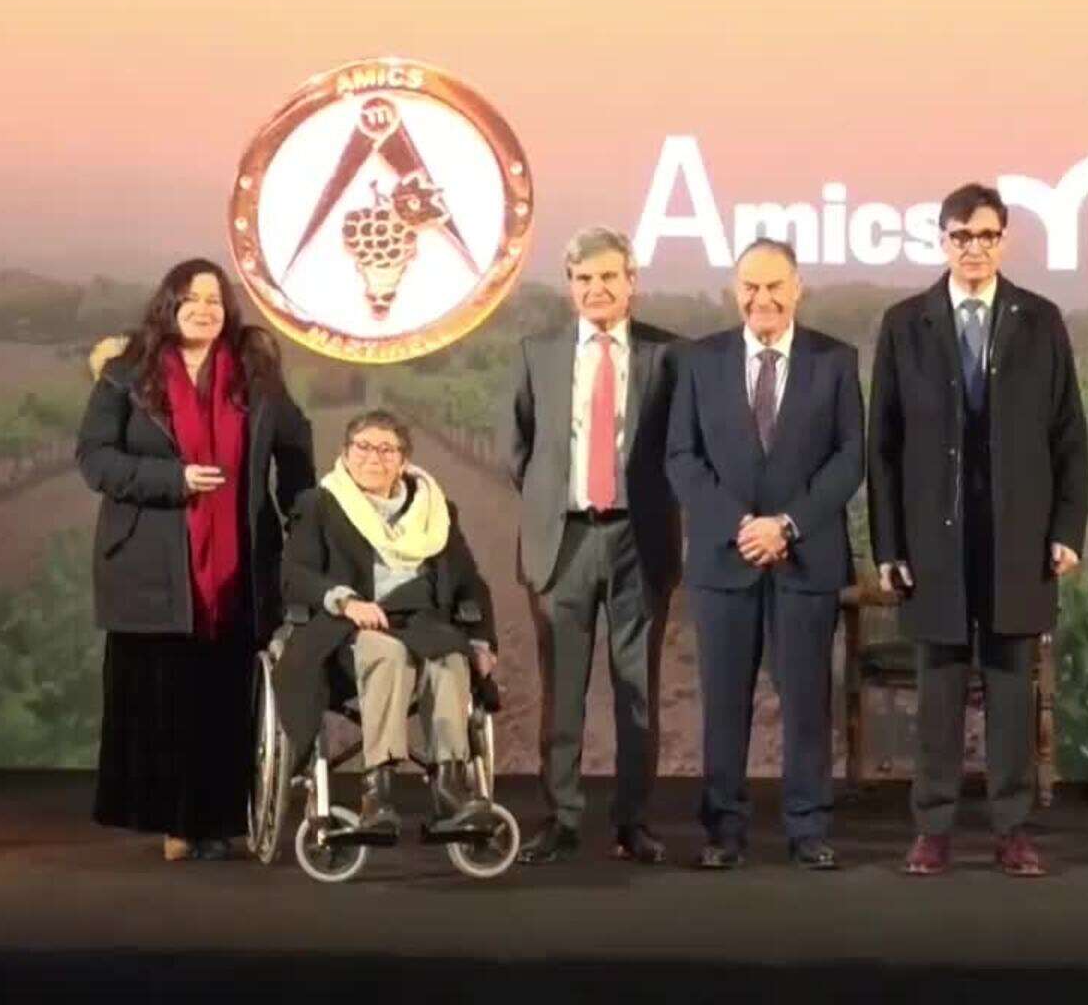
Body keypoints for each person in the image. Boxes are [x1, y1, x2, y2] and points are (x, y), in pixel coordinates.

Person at [867, 182, 1088, 877]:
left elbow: (1069, 436)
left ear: (1005, 239)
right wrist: (889, 545)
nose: (974, 248)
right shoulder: (906, 322)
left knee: (1011, 691)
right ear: (942, 240)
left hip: (1018, 539)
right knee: (938, 690)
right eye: (962, 236)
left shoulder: (1040, 319)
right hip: (934, 542)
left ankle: (1012, 830)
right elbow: (884, 445)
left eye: (987, 236)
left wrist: (1066, 530)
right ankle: (932, 830)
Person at [77, 257, 314, 861]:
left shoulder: (256, 376)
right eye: (191, 298)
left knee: (221, 697)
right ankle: (171, 820)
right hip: (151, 563)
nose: (204, 308)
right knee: (164, 696)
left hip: (239, 565)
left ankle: (214, 822)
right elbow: (96, 460)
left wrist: (303, 526)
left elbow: (295, 450)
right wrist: (174, 478)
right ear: (169, 306)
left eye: (214, 298)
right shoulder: (127, 374)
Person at [666, 238, 864, 870]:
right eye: (750, 286)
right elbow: (681, 458)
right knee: (724, 702)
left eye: (775, 286)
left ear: (798, 288)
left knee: (807, 701)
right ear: (734, 290)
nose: (763, 298)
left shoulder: (835, 360)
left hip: (806, 559)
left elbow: (849, 459)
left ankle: (808, 828)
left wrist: (789, 525)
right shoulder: (701, 361)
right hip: (724, 563)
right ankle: (724, 830)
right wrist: (739, 525)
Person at [500, 227, 683, 866]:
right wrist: (557, 503)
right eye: (583, 279)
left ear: (631, 281)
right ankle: (562, 818)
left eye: (609, 277)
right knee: (562, 690)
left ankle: (633, 823)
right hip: (564, 540)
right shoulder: (538, 353)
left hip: (640, 540)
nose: (596, 289)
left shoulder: (669, 355)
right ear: (569, 286)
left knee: (637, 686)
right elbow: (518, 451)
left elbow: (680, 449)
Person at [276, 409, 500, 845]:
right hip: (350, 633)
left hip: (423, 622)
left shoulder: (435, 510)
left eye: (386, 449)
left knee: (452, 658)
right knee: (386, 651)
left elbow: (470, 582)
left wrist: (481, 638)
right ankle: (376, 791)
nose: (373, 457)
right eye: (362, 446)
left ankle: (450, 789)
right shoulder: (320, 505)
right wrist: (344, 599)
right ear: (344, 453)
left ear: (403, 460)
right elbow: (295, 574)